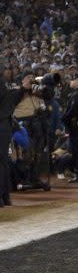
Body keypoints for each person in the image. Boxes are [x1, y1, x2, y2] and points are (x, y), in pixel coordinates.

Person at [0, 63, 25, 207]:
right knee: (3, 162)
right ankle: (5, 197)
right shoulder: (6, 85)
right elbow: (13, 100)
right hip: (6, 126)